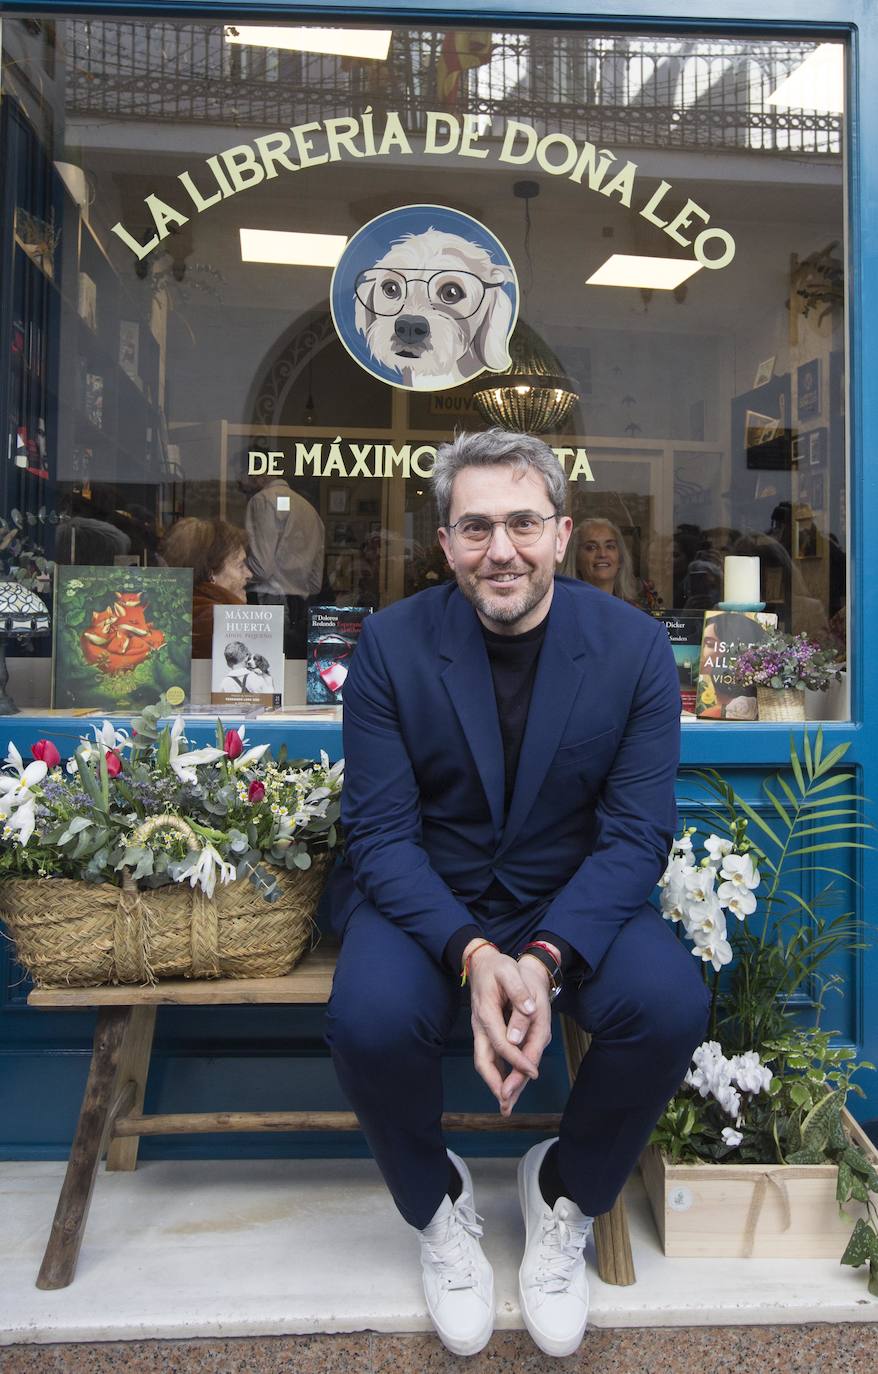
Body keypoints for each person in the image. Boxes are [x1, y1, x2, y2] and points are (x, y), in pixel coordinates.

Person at [325, 429, 709, 1359]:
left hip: (572, 900)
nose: (502, 549)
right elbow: (379, 833)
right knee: (368, 1018)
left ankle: (564, 1193)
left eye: (523, 523)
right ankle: (437, 1205)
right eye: (476, 527)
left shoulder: (631, 648)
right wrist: (474, 952)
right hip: (431, 900)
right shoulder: (391, 645)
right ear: (447, 541)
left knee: (669, 1005)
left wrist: (542, 957)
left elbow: (635, 836)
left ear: (562, 532)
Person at [240, 471, 325, 656]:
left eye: (245, 475)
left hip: (266, 602)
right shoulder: (310, 510)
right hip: (301, 605)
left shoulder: (262, 501)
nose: (241, 482)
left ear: (261, 476)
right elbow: (315, 583)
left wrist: (234, 575)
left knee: (263, 670)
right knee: (293, 671)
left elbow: (262, 568)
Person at [159, 517, 250, 658]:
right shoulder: (219, 624)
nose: (249, 574)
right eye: (240, 565)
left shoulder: (169, 614)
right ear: (211, 573)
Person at [564, 516, 663, 612]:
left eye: (610, 546)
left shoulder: (634, 613)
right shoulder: (563, 610)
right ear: (576, 560)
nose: (602, 554)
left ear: (620, 559)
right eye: (591, 547)